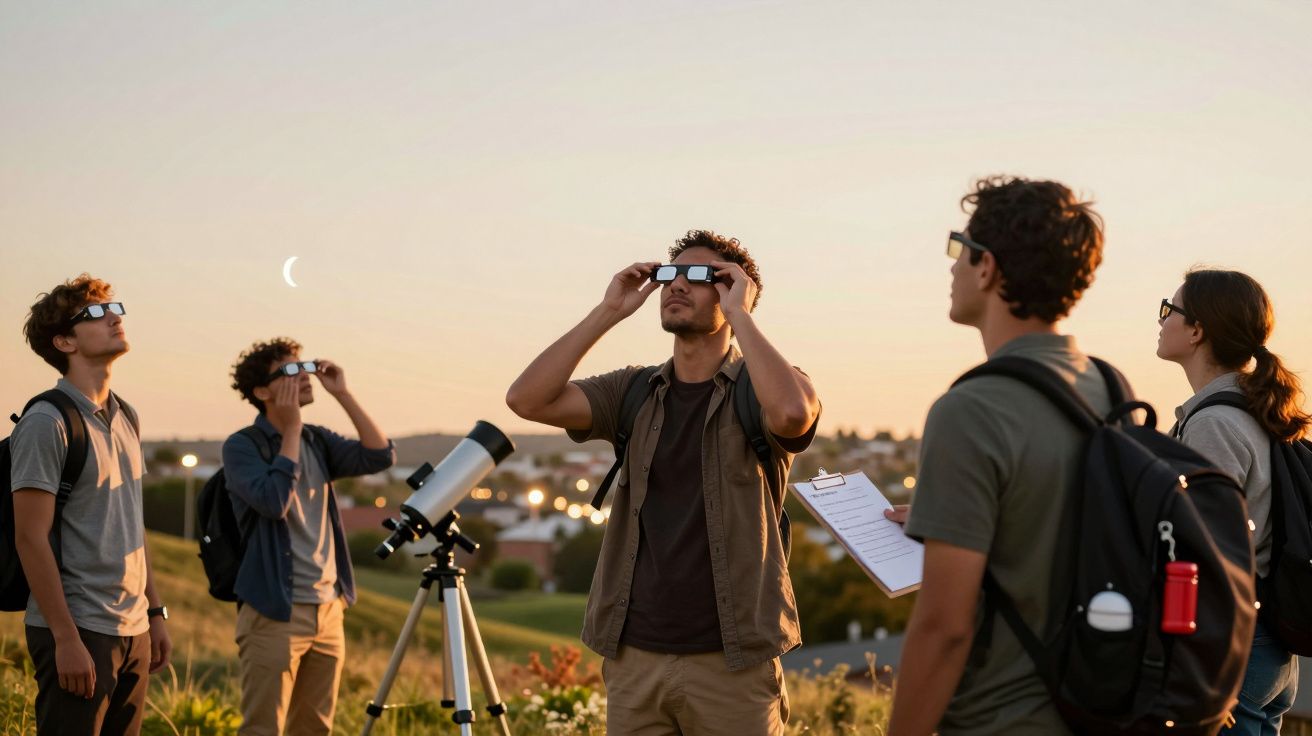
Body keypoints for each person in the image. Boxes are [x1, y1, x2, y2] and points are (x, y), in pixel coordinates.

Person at [506, 230, 820, 735]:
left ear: (735, 290)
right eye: (671, 274)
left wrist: (743, 316)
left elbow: (790, 414)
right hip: (635, 660)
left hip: (733, 664)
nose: (677, 284)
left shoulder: (766, 385)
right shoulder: (633, 390)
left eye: (702, 276)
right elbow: (527, 399)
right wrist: (610, 310)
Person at [887, 177, 1105, 735]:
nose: (953, 267)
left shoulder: (972, 409)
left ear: (987, 268)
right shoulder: (1110, 387)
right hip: (1098, 705)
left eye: (960, 249)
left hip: (1004, 720)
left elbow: (945, 628)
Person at [11, 274, 172, 735]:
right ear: (64, 341)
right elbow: (30, 537)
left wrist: (154, 613)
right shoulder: (48, 421)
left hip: (133, 628)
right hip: (79, 628)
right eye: (96, 313)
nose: (114, 317)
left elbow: (131, 525)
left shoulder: (127, 415)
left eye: (114, 308)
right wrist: (65, 638)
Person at [1157, 269, 1308, 735]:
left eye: (1170, 310)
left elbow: (1202, 544)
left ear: (1197, 329)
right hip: (1268, 648)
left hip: (1234, 644)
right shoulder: (1254, 411)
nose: (1161, 321)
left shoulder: (1214, 424)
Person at [222, 338, 395, 736]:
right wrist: (291, 431)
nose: (302, 375)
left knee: (315, 728)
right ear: (262, 393)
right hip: (274, 610)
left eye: (303, 366)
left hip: (328, 609)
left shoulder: (316, 440)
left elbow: (379, 455)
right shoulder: (242, 447)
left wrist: (343, 394)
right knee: (263, 728)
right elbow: (273, 501)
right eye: (288, 371)